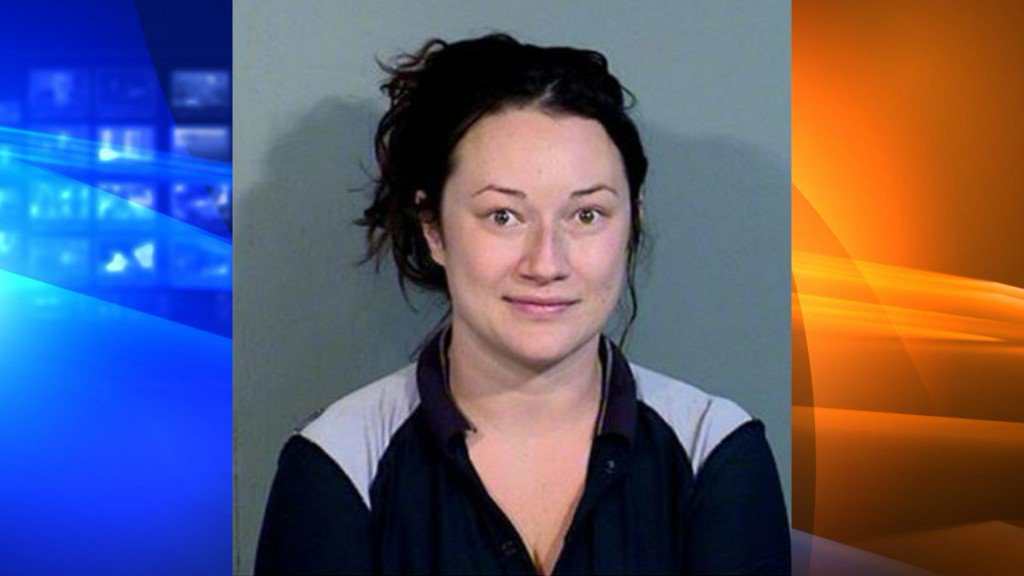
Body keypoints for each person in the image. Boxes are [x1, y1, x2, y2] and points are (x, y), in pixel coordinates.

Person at [255, 33, 790, 575]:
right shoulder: (341, 463)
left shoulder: (713, 452)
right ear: (433, 227)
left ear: (633, 222)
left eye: (586, 215)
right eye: (503, 216)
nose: (545, 263)